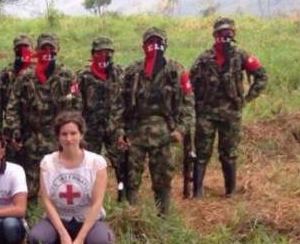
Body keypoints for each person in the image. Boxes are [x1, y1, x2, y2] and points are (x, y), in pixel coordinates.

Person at [189, 17, 268, 197]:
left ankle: (230, 192)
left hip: (231, 113)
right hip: (206, 114)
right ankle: (197, 192)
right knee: (202, 153)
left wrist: (247, 98)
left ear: (233, 34)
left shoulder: (241, 55)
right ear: (214, 35)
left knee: (229, 153)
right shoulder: (203, 58)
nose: (225, 37)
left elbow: (261, 76)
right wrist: (193, 105)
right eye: (221, 33)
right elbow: (189, 83)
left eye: (228, 33)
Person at [121, 27, 194, 214]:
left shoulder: (176, 71)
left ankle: (163, 217)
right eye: (150, 43)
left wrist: (180, 130)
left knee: (163, 177)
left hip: (165, 132)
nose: (154, 47)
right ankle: (131, 216)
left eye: (158, 43)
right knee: (131, 176)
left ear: (165, 45)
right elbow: (118, 104)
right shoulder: (131, 72)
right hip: (135, 130)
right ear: (143, 46)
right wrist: (120, 132)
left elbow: (188, 105)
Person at [3, 33, 81, 194]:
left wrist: (72, 133)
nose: (47, 52)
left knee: (61, 182)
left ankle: (61, 214)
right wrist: (15, 131)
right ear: (37, 50)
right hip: (31, 137)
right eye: (43, 48)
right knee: (29, 184)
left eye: (50, 48)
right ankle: (29, 214)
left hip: (58, 138)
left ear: (57, 50)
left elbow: (77, 105)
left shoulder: (67, 75)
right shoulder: (26, 77)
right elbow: (13, 106)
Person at [28, 113, 114, 244]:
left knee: (102, 243)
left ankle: (82, 241)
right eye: (64, 134)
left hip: (88, 219)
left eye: (73, 133)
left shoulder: (96, 163)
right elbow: (47, 201)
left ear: (81, 134)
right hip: (58, 219)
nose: (69, 139)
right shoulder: (48, 163)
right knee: (36, 240)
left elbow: (97, 203)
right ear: (58, 137)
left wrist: (80, 238)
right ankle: (63, 241)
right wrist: (62, 234)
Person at [76, 36, 128, 201]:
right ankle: (88, 197)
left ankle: (122, 196)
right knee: (88, 164)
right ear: (93, 54)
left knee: (121, 163)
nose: (105, 56)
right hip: (90, 127)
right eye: (100, 52)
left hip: (115, 126)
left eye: (108, 52)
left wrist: (124, 127)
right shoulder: (83, 76)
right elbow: (76, 103)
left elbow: (126, 100)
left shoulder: (120, 73)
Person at [0, 35, 33, 166]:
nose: (22, 51)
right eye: (19, 48)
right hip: (11, 129)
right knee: (12, 167)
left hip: (33, 129)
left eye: (26, 47)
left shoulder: (38, 72)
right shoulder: (5, 74)